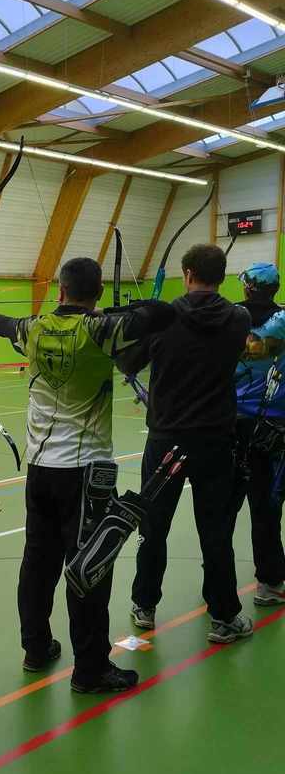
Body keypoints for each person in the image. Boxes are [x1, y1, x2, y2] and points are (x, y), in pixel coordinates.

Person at [0, 257, 174, 693]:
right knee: (89, 566)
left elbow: (2, 324)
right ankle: (90, 670)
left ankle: (36, 648)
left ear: (60, 290)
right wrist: (106, 312)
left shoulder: (34, 328)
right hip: (87, 471)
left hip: (40, 468)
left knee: (38, 562)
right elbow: (161, 313)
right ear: (96, 293)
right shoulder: (100, 329)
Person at [119, 243, 254, 642]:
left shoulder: (163, 318)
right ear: (221, 277)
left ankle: (144, 604)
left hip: (167, 440)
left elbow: (128, 363)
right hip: (215, 440)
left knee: (153, 525)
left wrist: (137, 325)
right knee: (216, 530)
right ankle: (224, 616)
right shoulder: (239, 318)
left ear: (188, 274)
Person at [234, 263, 285, 605]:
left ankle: (218, 582)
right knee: (266, 506)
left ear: (248, 288)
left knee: (221, 507)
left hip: (230, 422)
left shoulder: (228, 318)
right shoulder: (282, 320)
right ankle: (269, 582)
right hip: (272, 424)